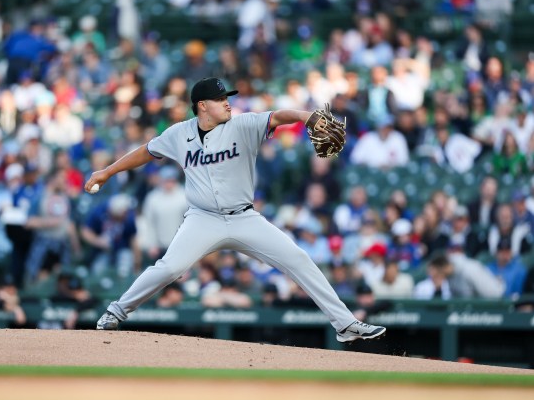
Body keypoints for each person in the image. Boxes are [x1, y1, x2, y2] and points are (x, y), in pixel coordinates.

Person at [86, 77, 386, 342]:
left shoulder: (243, 124)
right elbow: (146, 152)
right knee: (170, 268)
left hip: (244, 218)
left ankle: (345, 324)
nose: (227, 103)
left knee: (297, 258)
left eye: (227, 98)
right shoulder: (178, 134)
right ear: (202, 105)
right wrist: (106, 172)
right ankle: (116, 311)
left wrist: (306, 116)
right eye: (220, 99)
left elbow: (279, 116)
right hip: (202, 219)